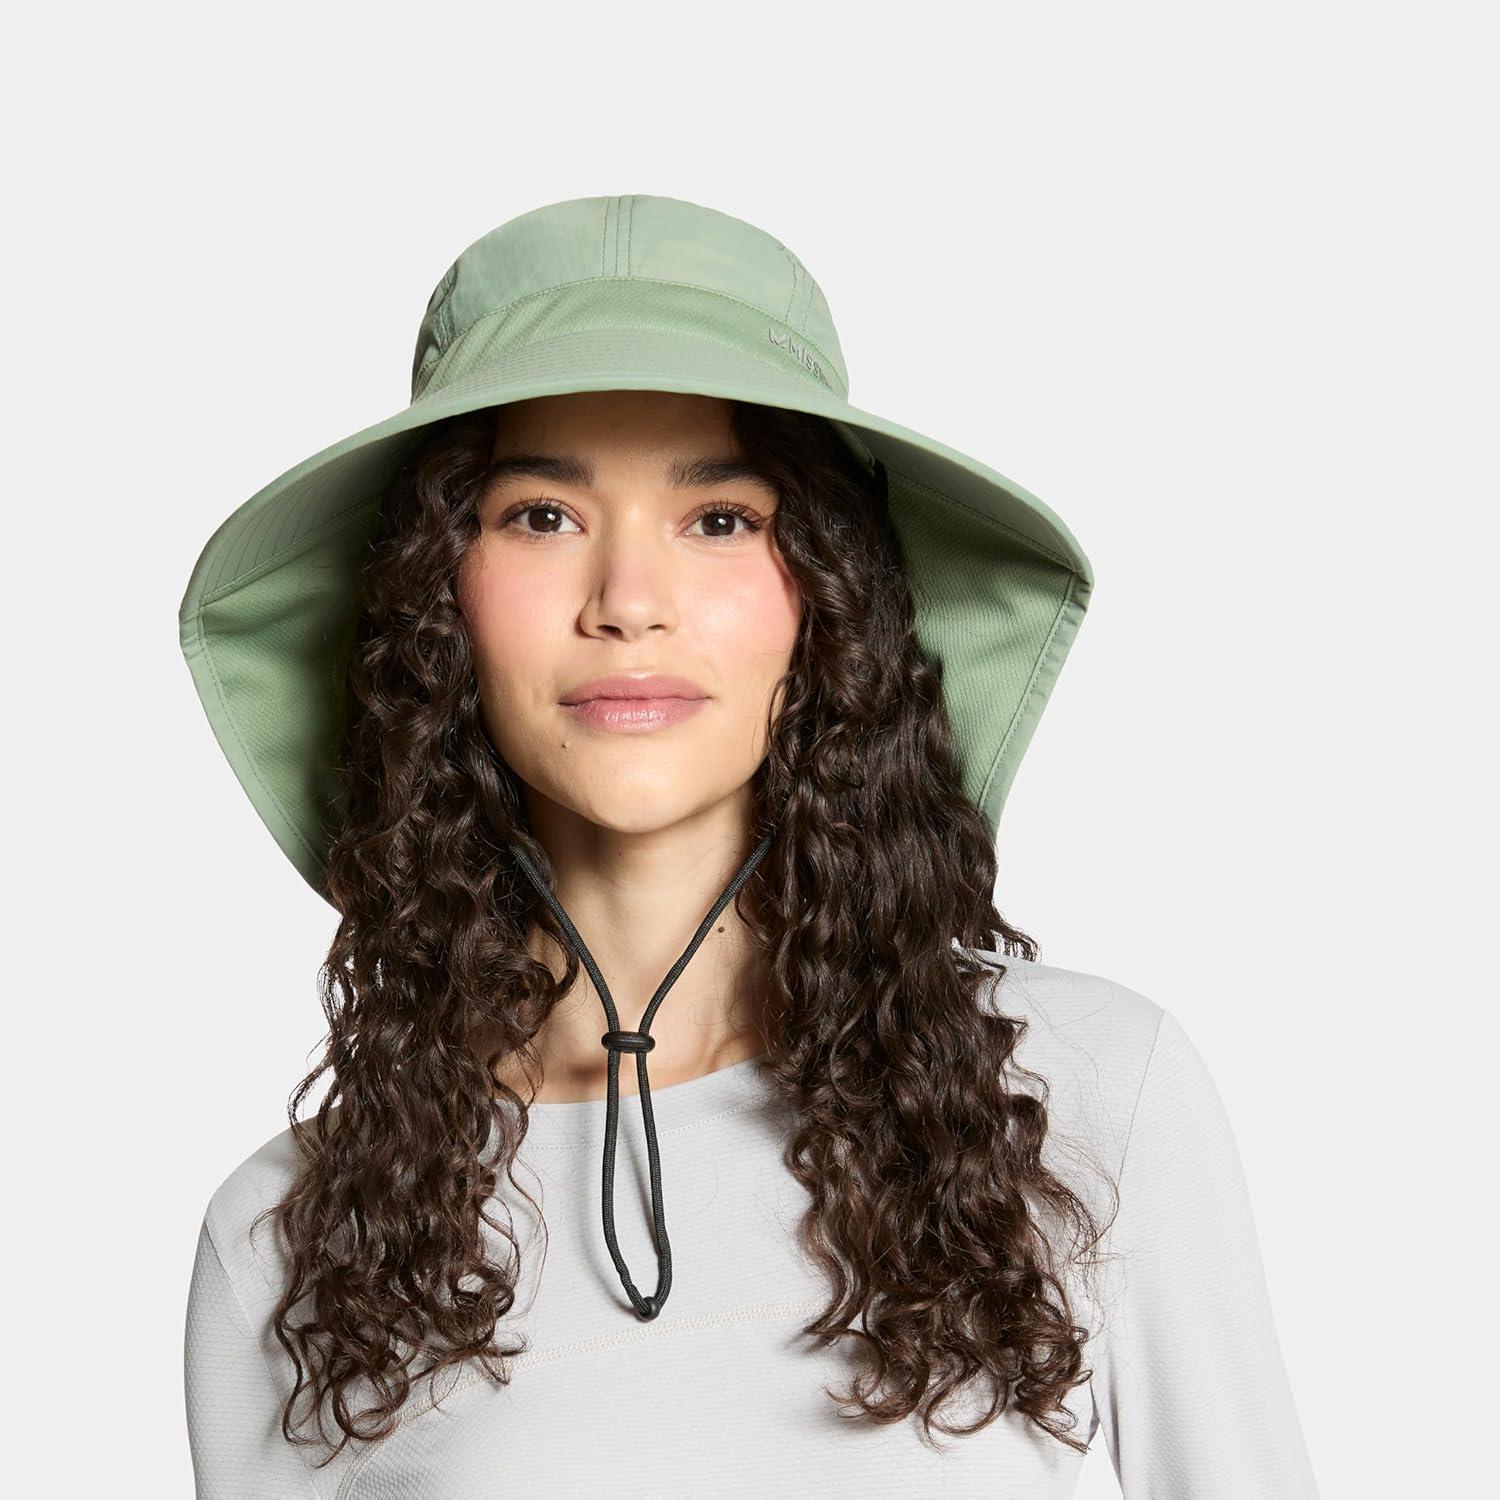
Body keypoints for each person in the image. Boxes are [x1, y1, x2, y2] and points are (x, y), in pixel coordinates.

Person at [180, 194, 1319, 1497]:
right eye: (542, 515)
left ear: (830, 592)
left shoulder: (1081, 1099)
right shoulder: (286, 1247)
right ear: (436, 595)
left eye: (719, 517)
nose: (629, 603)